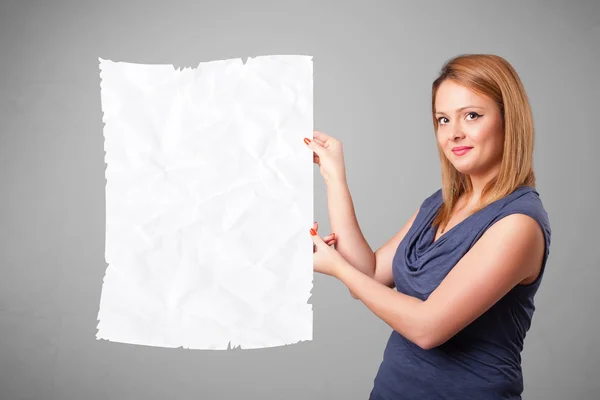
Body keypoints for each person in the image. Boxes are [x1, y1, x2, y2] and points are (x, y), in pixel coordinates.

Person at [304, 53, 552, 399]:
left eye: (472, 115)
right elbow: (371, 273)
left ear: (508, 120)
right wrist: (334, 176)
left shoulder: (518, 224)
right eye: (443, 120)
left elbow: (427, 328)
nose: (454, 134)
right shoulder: (444, 200)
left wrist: (336, 267)